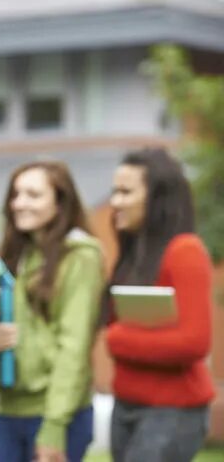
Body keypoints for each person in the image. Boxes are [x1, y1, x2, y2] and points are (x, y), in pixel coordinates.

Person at [0, 161, 105, 462]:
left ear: (60, 203)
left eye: (33, 195)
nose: (20, 203)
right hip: (9, 411)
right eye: (16, 194)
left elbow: (73, 346)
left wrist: (54, 425)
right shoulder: (14, 255)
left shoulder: (81, 257)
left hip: (55, 413)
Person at [106, 147, 214, 462]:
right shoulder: (133, 255)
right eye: (114, 192)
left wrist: (118, 339)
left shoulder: (185, 251)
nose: (115, 203)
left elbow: (194, 343)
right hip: (126, 405)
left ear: (157, 198)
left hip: (172, 411)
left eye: (126, 192)